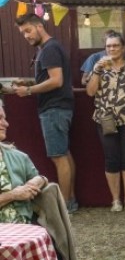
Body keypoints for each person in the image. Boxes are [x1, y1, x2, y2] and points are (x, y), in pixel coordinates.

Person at [13, 13, 77, 213]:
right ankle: (71, 201)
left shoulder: (49, 49)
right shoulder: (50, 48)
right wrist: (30, 83)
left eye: (28, 31)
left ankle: (64, 205)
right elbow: (50, 78)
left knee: (59, 157)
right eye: (23, 33)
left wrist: (29, 90)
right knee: (64, 154)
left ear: (39, 26)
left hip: (54, 108)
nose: (26, 36)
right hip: (59, 107)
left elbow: (56, 80)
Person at [84, 31, 125, 212]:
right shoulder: (99, 66)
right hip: (105, 118)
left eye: (116, 45)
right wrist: (96, 70)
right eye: (108, 46)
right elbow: (90, 91)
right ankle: (115, 200)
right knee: (111, 158)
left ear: (124, 47)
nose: (112, 49)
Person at [0, 99, 49, 223]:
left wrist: (38, 180)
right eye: (0, 118)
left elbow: (40, 178)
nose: (6, 124)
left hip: (23, 229)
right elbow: (16, 193)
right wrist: (13, 195)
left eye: (4, 118)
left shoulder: (18, 156)